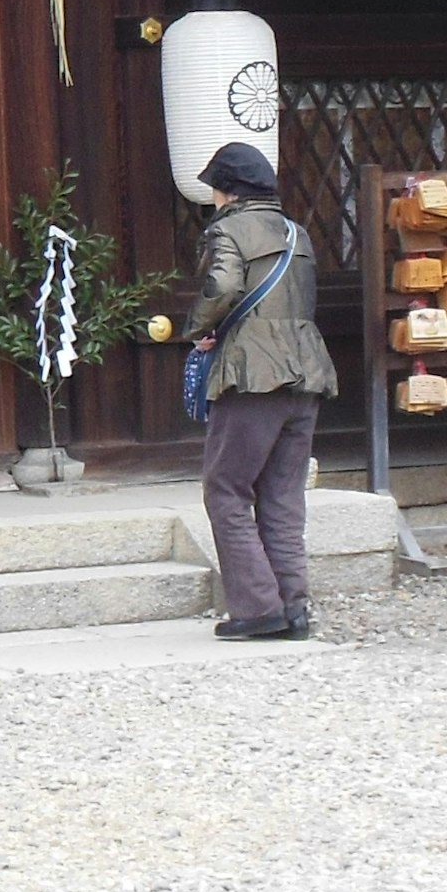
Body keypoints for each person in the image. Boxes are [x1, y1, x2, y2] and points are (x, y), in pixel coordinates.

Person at [187, 140, 335, 638]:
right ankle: (294, 607)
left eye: (214, 188)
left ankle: (256, 609)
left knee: (226, 489)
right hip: (307, 370)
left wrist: (200, 329)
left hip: (253, 374)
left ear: (227, 191)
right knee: (283, 495)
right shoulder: (299, 233)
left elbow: (223, 288)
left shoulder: (228, 229)